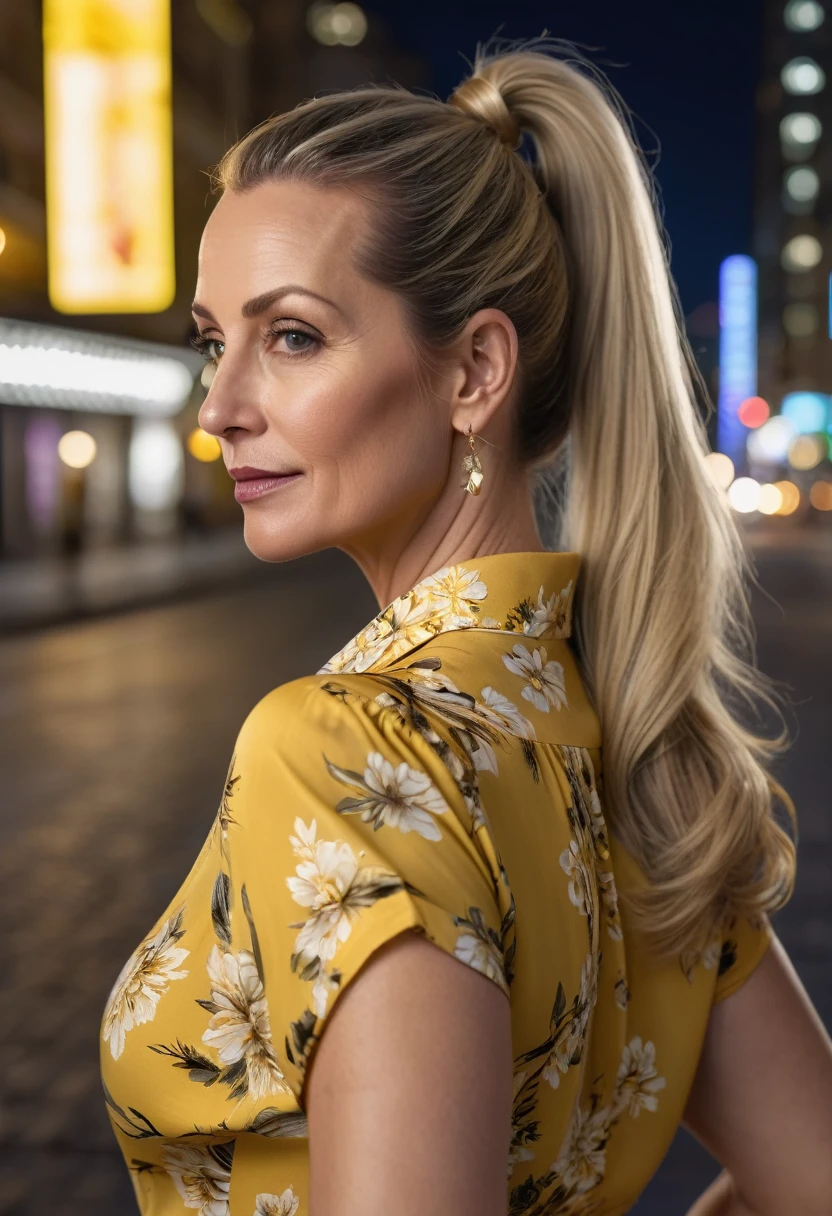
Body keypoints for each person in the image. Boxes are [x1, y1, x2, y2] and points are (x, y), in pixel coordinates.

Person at [99, 38, 832, 1216]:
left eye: (290, 336)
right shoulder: (639, 743)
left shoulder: (349, 754)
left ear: (474, 372)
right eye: (211, 340)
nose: (221, 406)